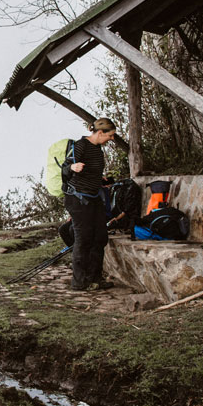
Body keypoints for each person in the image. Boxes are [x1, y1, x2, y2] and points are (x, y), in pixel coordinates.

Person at [65, 117, 118, 291]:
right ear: (100, 132)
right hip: (78, 199)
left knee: (100, 237)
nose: (112, 139)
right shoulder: (80, 145)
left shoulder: (97, 149)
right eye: (110, 135)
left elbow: (91, 171)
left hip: (94, 197)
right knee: (83, 239)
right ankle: (79, 282)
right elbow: (65, 168)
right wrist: (73, 168)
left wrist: (100, 179)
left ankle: (95, 278)